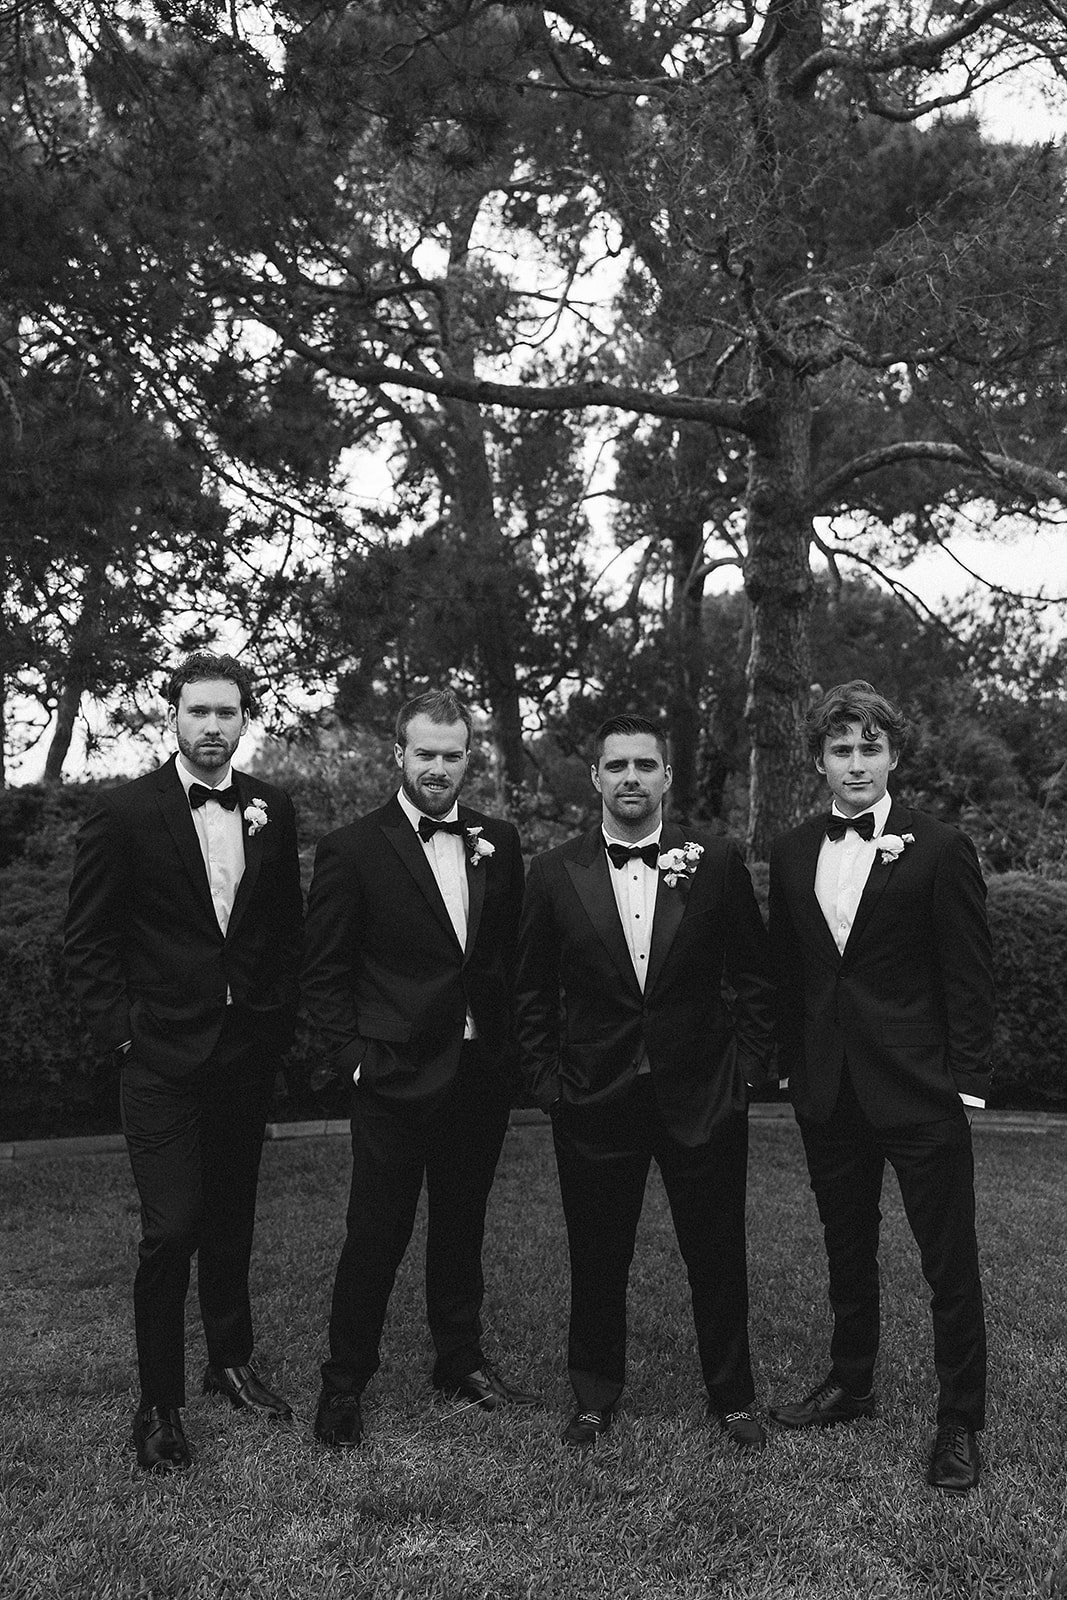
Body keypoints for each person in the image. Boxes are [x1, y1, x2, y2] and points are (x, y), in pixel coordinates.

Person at [64, 651, 303, 1474]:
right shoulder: (125, 813)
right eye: (197, 710)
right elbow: (87, 939)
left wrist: (276, 1025)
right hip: (160, 1059)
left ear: (244, 721)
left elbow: (282, 931)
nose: (212, 726)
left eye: (226, 712)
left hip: (244, 1054)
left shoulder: (273, 807)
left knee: (233, 1219)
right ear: (173, 715)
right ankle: (158, 1401)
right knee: (172, 1231)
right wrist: (123, 1035)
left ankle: (228, 1363)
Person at [515, 713, 774, 1450]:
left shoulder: (715, 861)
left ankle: (732, 1398)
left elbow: (754, 977)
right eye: (617, 765)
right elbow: (530, 991)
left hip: (701, 1096)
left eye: (645, 765)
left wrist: (746, 1075)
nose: (631, 777)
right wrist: (547, 1083)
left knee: (716, 1253)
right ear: (595, 778)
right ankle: (593, 1397)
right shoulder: (552, 871)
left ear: (666, 777)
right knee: (597, 1255)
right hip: (593, 1097)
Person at [767, 680, 994, 1493]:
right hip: (828, 1091)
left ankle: (959, 1421)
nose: (855, 763)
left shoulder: (936, 847)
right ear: (819, 762)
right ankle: (850, 1381)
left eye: (869, 747)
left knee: (947, 1263)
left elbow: (969, 977)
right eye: (840, 749)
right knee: (845, 1247)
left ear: (892, 755)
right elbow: (786, 971)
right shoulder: (793, 851)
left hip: (918, 1091)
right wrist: (790, 1066)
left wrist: (962, 1084)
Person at [302, 688, 534, 1447]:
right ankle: (344, 1385)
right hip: (394, 1073)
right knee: (376, 1232)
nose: (437, 768)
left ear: (471, 756)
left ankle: (457, 1360)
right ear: (398, 755)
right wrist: (354, 1060)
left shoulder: (496, 838)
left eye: (451, 754)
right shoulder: (352, 848)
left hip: (478, 1073)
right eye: (424, 754)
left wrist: (511, 1052)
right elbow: (324, 970)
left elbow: (506, 959)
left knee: (462, 1227)